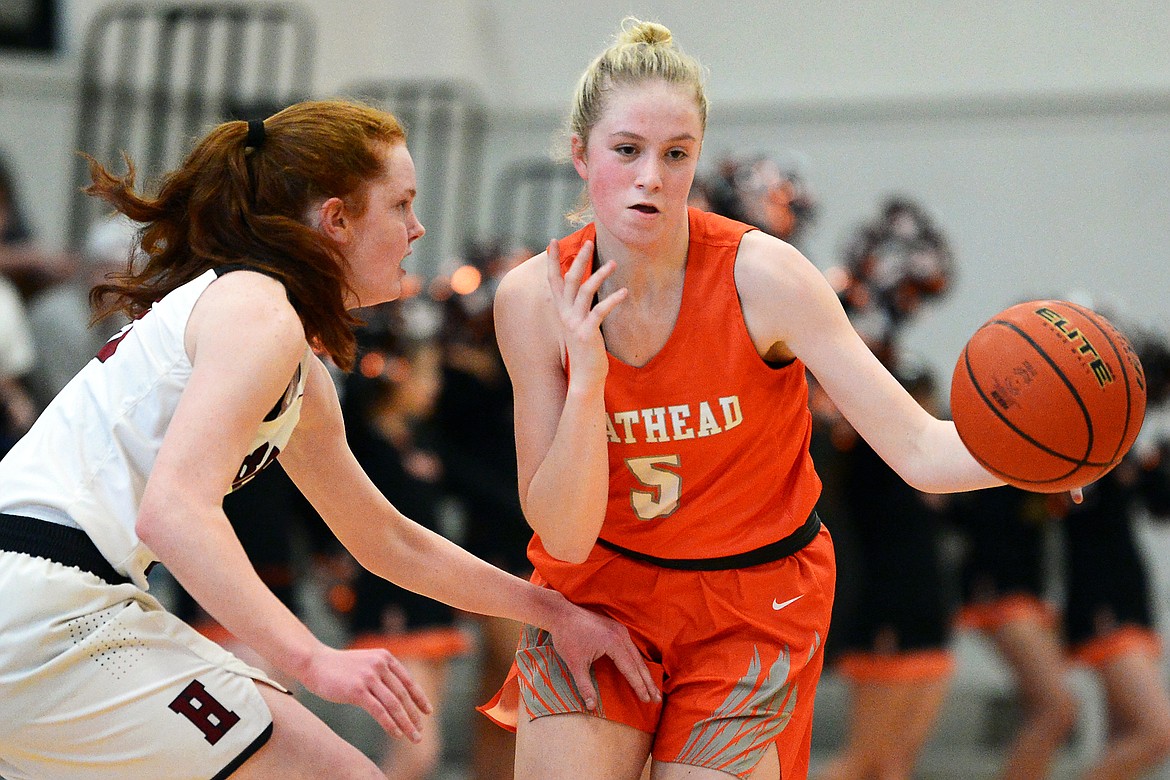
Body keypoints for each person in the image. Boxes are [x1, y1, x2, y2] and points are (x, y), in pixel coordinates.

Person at [0, 99, 658, 780]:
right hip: (48, 609)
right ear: (336, 220)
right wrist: (310, 656)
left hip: (44, 608)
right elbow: (173, 511)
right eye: (401, 205)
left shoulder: (290, 360)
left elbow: (384, 538)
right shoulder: (259, 310)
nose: (418, 228)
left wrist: (551, 610)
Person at [480, 18, 1038, 780]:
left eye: (676, 154)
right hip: (596, 590)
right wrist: (587, 377)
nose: (652, 176)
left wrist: (1030, 452)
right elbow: (564, 536)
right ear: (581, 155)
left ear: (696, 160)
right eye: (627, 150)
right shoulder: (532, 299)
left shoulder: (765, 278)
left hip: (752, 600)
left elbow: (918, 449)